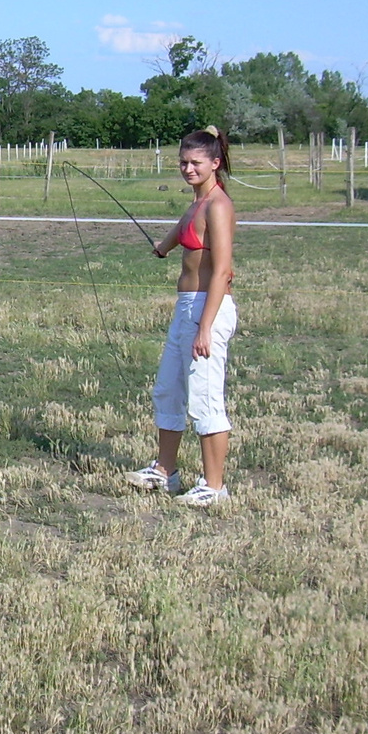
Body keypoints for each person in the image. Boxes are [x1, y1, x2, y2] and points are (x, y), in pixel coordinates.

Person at [127, 126, 238, 506]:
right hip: (186, 306)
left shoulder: (219, 206)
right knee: (168, 389)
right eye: (183, 162)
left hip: (209, 308)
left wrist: (205, 327)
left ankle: (214, 486)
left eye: (196, 163)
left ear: (215, 163)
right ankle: (165, 471)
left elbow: (222, 270)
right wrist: (163, 246)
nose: (188, 169)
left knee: (204, 397)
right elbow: (184, 230)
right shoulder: (196, 202)